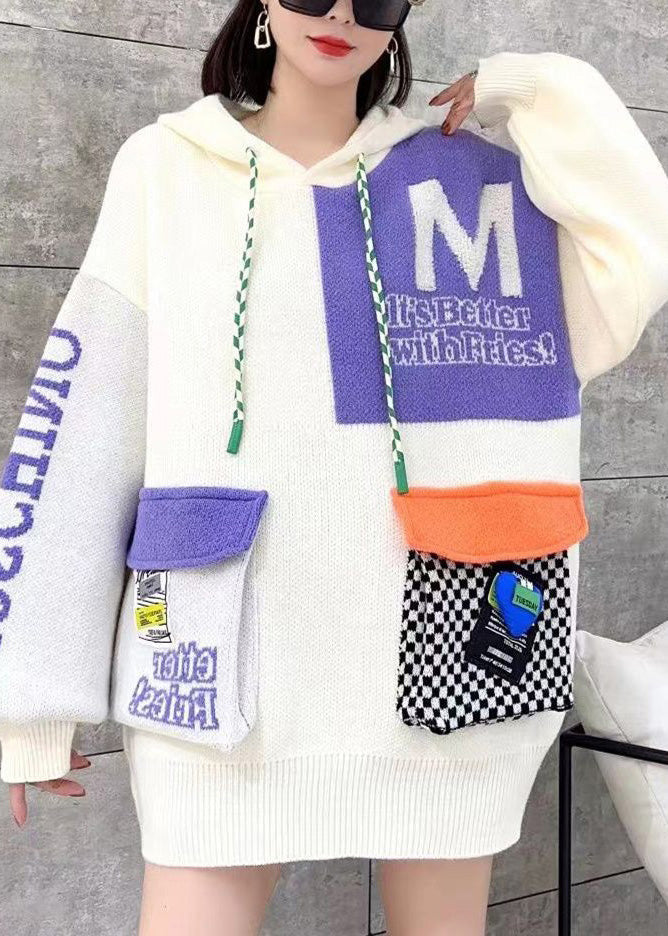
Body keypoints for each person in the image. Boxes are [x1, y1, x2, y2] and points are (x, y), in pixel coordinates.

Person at [1, 1, 668, 933]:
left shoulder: (477, 180)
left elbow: (638, 258)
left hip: (455, 668)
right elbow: (87, 421)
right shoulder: (165, 169)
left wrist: (539, 90)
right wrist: (30, 702)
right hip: (221, 672)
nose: (343, 15)